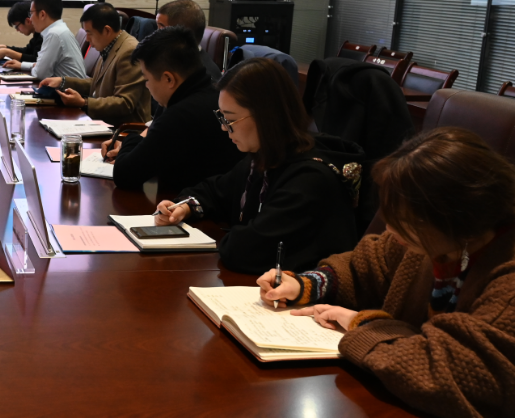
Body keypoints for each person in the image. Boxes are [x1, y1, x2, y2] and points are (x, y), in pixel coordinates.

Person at [258, 127, 515, 418]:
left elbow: (444, 376)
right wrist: (308, 284)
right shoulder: (445, 238)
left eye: (402, 222)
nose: (391, 231)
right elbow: (368, 264)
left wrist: (363, 323)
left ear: (454, 216)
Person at [155, 58, 363, 275]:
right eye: (222, 118)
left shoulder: (309, 180)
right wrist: (186, 207)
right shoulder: (265, 157)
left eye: (230, 119)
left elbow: (243, 250)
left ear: (266, 116)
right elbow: (215, 191)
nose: (225, 129)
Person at [102, 26, 242, 190]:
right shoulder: (208, 91)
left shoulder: (181, 115)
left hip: (187, 202)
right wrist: (136, 147)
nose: (146, 86)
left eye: (146, 79)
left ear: (168, 79)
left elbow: (124, 175)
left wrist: (130, 140)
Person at [38, 3, 149, 126]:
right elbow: (99, 84)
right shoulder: (110, 45)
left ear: (107, 30)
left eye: (89, 33)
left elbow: (125, 103)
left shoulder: (129, 51)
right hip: (103, 121)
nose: (87, 39)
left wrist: (84, 103)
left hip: (123, 129)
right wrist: (62, 81)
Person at [2, 0, 87, 81]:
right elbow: (41, 66)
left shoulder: (54, 34)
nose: (30, 19)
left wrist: (26, 66)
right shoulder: (59, 29)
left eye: (31, 13)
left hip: (68, 89)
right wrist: (23, 65)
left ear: (42, 14)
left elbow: (40, 74)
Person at [157, 0, 222, 84]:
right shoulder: (175, 59)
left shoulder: (204, 78)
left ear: (182, 33)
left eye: (161, 28)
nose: (156, 34)